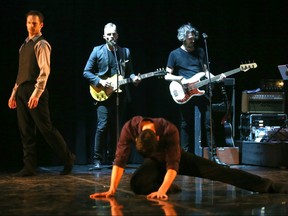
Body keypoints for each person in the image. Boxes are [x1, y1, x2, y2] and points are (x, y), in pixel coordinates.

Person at [90, 116, 288, 200]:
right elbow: (120, 160)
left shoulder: (168, 129)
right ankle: (168, 186)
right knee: (137, 185)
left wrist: (161, 191)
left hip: (175, 159)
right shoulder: (130, 127)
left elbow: (173, 165)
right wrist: (111, 189)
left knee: (220, 171)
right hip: (156, 163)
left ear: (158, 138)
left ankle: (269, 186)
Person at [8, 10, 75, 177]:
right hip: (22, 90)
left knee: (46, 129)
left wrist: (37, 93)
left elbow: (45, 71)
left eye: (35, 23)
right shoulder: (24, 46)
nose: (31, 25)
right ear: (26, 24)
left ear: (41, 25)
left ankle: (68, 158)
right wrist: (13, 94)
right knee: (26, 130)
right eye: (29, 22)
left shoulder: (42, 44)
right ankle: (29, 166)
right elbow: (21, 72)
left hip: (35, 88)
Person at [164, 22, 227, 166]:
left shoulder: (200, 51)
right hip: (185, 92)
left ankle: (213, 157)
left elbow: (205, 72)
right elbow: (167, 76)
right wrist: (178, 78)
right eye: (189, 38)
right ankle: (184, 157)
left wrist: (217, 77)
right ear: (183, 38)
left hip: (201, 90)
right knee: (185, 124)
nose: (192, 40)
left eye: (193, 38)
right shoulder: (174, 54)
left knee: (209, 122)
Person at [83, 23, 141, 170]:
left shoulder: (124, 52)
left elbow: (130, 72)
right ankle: (97, 159)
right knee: (102, 126)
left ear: (117, 36)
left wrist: (134, 78)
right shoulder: (97, 51)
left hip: (120, 94)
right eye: (108, 34)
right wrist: (100, 81)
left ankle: (113, 158)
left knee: (117, 127)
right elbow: (86, 72)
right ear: (104, 36)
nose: (111, 37)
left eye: (113, 34)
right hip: (102, 93)